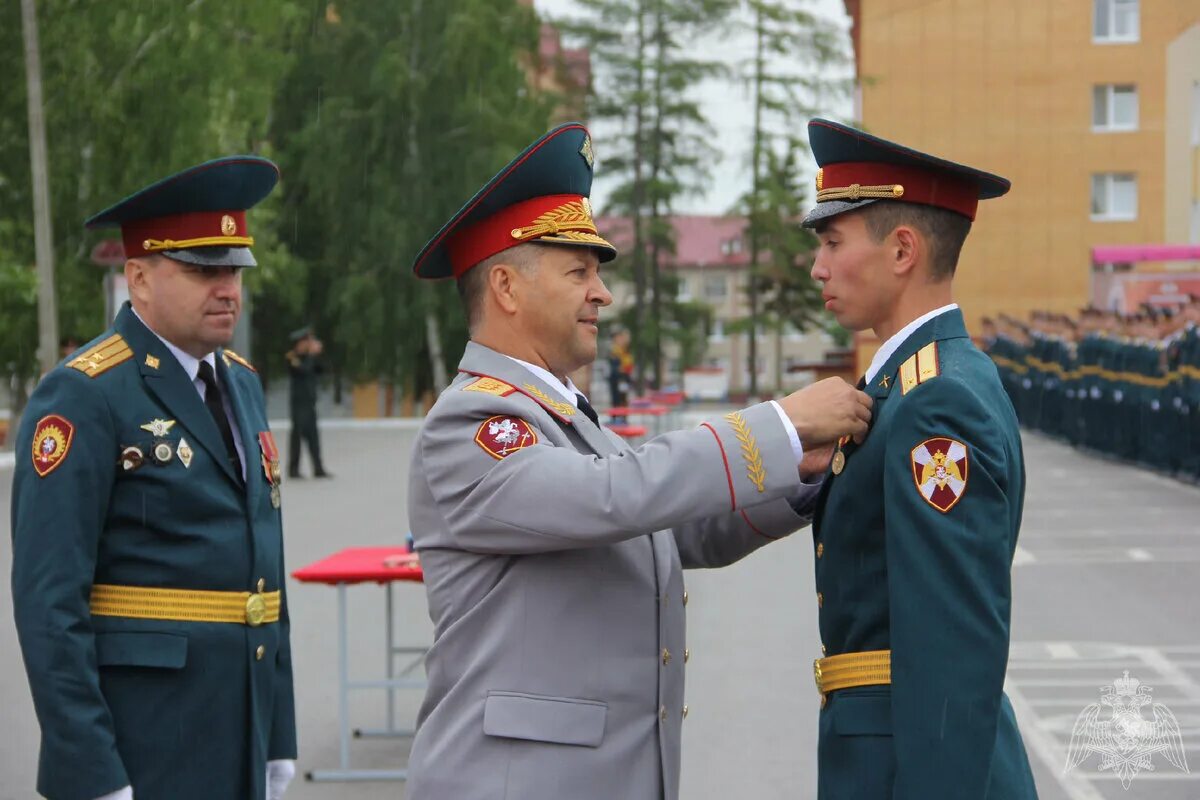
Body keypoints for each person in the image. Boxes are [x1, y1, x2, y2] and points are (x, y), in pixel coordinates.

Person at [405, 122, 873, 800]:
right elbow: (617, 496)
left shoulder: (559, 415)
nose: (603, 293)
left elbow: (669, 526)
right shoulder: (472, 424)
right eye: (579, 272)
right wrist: (779, 423)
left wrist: (802, 469)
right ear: (506, 287)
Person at [10, 156, 297, 800]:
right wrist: (92, 772)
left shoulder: (242, 384)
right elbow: (49, 603)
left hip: (238, 733)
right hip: (142, 747)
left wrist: (278, 730)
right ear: (138, 278)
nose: (228, 288)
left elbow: (262, 573)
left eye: (234, 270)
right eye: (204, 271)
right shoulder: (84, 395)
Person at [802, 118, 1038, 799]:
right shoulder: (921, 383)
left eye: (832, 241)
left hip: (913, 766)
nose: (818, 266)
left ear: (902, 250)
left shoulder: (935, 403)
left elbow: (952, 648)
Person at [285, 326, 330, 478]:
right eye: (306, 341)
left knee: (313, 436)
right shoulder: (292, 357)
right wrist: (311, 355)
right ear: (299, 343)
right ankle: (293, 469)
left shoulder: (309, 358)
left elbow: (321, 369)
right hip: (298, 404)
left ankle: (318, 468)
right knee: (297, 436)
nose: (308, 344)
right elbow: (303, 371)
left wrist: (317, 355)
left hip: (310, 404)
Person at [607, 327, 633, 407]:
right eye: (620, 337)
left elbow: (629, 366)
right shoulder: (614, 351)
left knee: (624, 399)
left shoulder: (625, 351)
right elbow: (616, 367)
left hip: (624, 379)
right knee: (617, 400)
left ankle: (623, 417)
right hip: (617, 379)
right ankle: (616, 418)